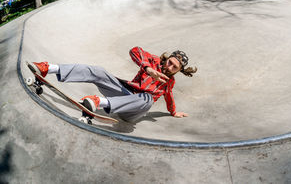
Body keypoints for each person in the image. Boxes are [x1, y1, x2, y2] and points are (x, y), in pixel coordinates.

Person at [28, 47, 197, 122]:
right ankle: (48, 68)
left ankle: (98, 102)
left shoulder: (169, 83)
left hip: (132, 111)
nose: (169, 67)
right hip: (123, 93)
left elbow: (169, 98)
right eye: (169, 62)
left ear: (178, 71)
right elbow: (135, 50)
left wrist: (173, 112)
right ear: (166, 58)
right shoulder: (153, 60)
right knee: (99, 71)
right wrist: (147, 68)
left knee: (147, 99)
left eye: (174, 67)